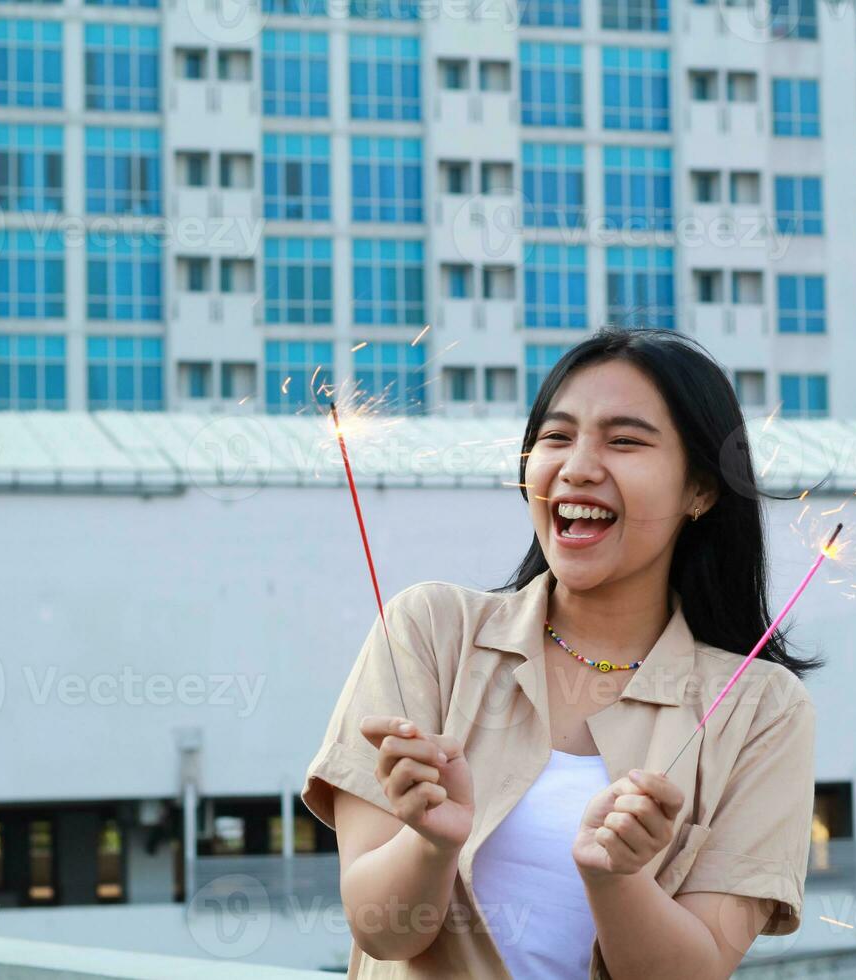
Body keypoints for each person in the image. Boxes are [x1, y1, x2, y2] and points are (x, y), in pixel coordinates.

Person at [302, 327, 822, 978]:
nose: (576, 466)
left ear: (701, 490)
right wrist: (430, 844)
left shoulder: (761, 709)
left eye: (625, 440)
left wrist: (618, 880)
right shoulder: (431, 632)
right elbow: (381, 933)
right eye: (555, 436)